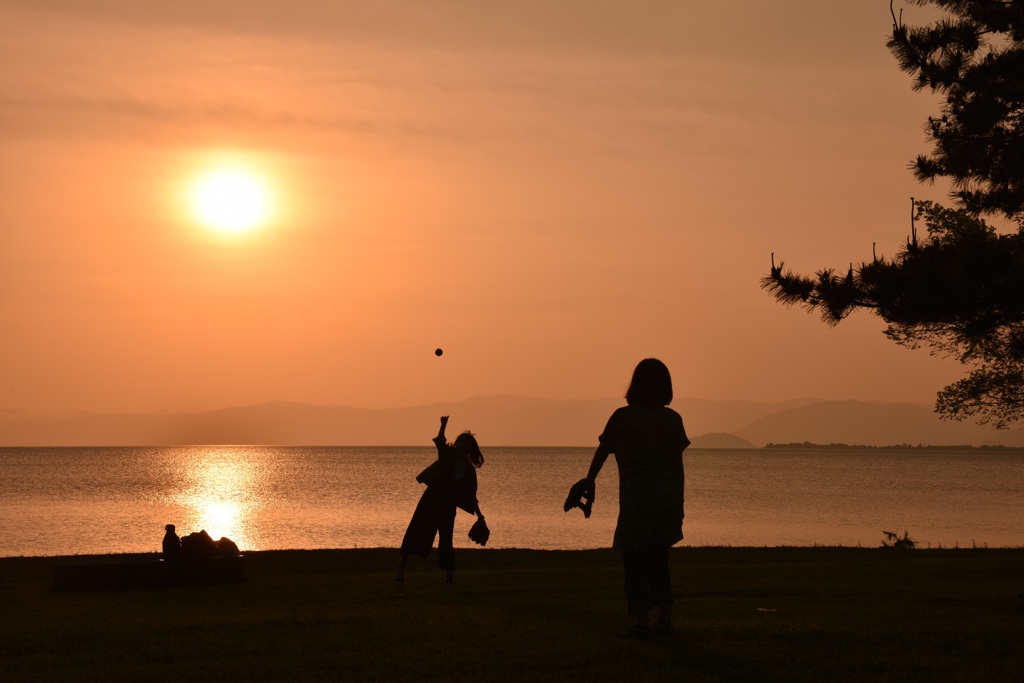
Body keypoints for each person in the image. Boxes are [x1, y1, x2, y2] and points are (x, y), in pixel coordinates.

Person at [578, 358, 689, 638]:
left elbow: (602, 451)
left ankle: (641, 622)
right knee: (659, 561)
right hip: (665, 499)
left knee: (634, 563)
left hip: (636, 501)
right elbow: (677, 466)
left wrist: (589, 481)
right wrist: (680, 502)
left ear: (635, 385)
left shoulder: (623, 417)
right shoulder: (672, 420)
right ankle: (665, 620)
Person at [396, 415, 486, 589]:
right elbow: (440, 441)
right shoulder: (447, 455)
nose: (464, 446)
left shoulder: (468, 471)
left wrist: (481, 517)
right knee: (415, 534)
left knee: (446, 542)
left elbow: (470, 496)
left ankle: (448, 579)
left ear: (471, 448)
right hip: (430, 500)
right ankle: (400, 569)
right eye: (462, 442)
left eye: (468, 444)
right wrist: (443, 425)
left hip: (448, 506)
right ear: (457, 444)